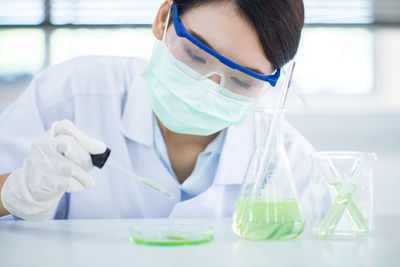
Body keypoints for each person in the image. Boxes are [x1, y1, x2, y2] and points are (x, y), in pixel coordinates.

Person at [0, 0, 313, 221]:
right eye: (195, 54)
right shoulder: (69, 93)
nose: (209, 89)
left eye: (243, 81)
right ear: (163, 19)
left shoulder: (289, 159)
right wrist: (13, 191)